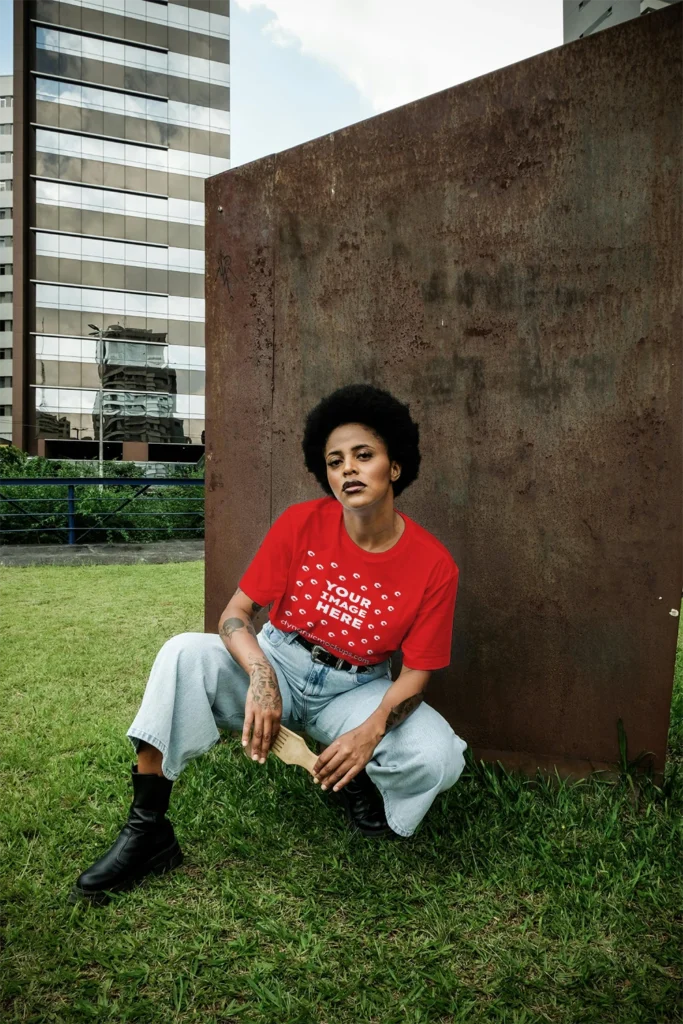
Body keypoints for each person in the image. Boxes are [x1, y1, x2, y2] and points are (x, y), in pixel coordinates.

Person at [71, 384, 467, 902]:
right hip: (277, 656)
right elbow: (235, 614)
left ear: (394, 467)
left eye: (363, 456)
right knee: (181, 653)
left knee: (439, 755)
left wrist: (370, 733)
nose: (348, 469)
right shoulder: (301, 523)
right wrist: (260, 674)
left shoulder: (434, 565)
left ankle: (359, 785)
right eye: (335, 461)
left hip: (355, 688)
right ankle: (149, 832)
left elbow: (416, 674)